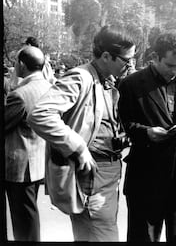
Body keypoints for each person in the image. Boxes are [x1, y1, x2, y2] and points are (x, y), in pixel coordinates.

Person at [28, 25, 136, 241]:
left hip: (106, 173)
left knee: (91, 234)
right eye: (127, 60)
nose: (131, 65)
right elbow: (40, 114)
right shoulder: (80, 77)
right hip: (93, 174)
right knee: (102, 235)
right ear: (106, 56)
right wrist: (77, 147)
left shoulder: (107, 81)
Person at [118, 31, 176, 242]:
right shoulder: (131, 84)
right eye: (170, 65)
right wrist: (146, 132)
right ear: (155, 58)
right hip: (146, 175)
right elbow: (125, 124)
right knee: (144, 237)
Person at [4, 46, 52, 241]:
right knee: (29, 213)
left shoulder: (20, 95)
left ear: (22, 65)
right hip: (37, 160)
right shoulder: (49, 86)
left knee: (23, 220)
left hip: (20, 166)